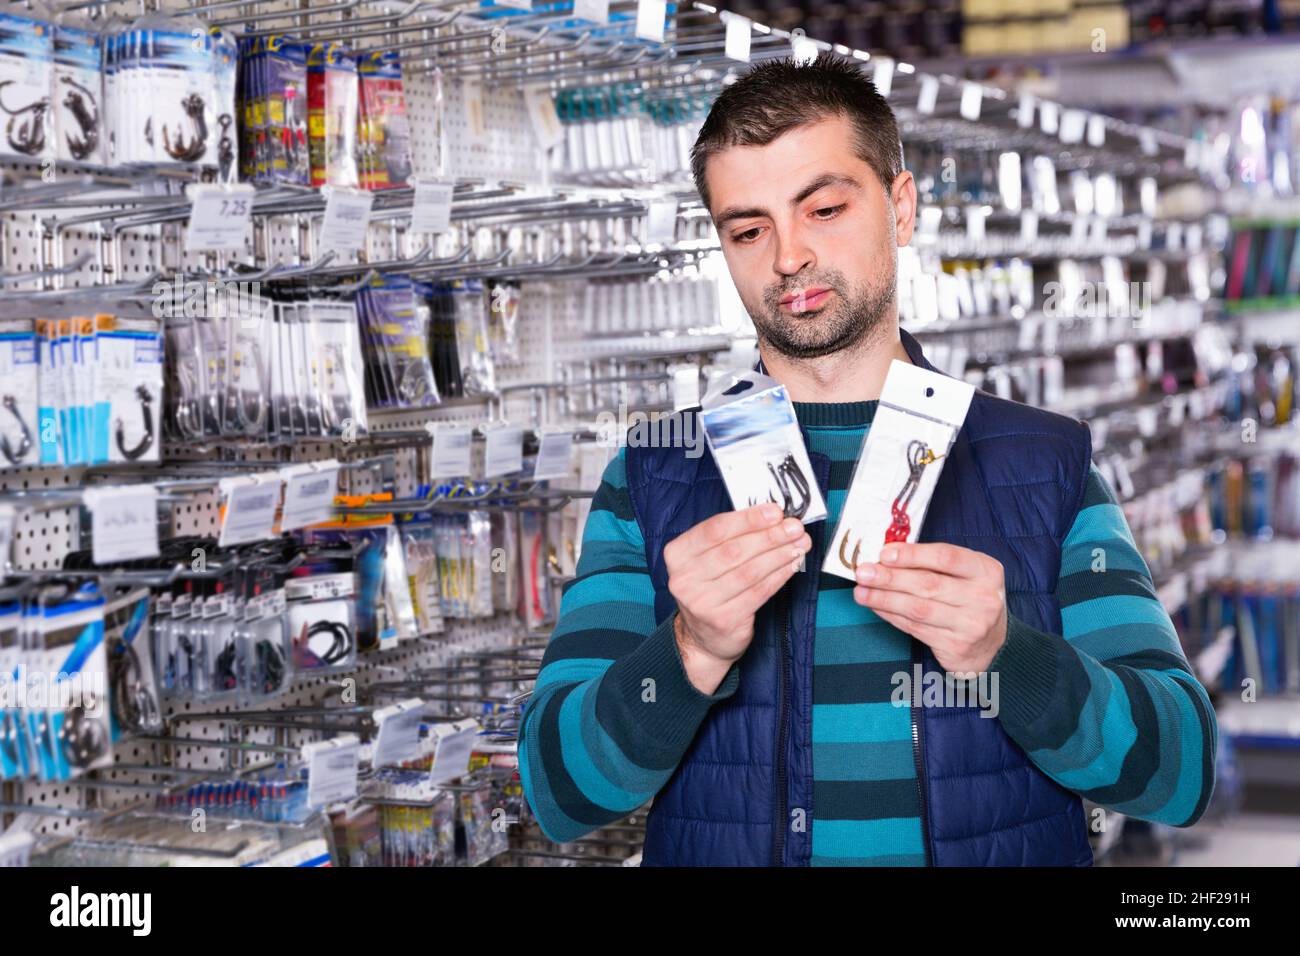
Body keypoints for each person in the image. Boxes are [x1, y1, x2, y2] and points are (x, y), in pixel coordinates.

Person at [517, 56, 1217, 866]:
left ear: (902, 206)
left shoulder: (1045, 465)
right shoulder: (654, 477)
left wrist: (1007, 657)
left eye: (822, 209)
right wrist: (690, 650)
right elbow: (557, 795)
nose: (787, 257)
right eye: (749, 229)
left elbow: (1180, 773)